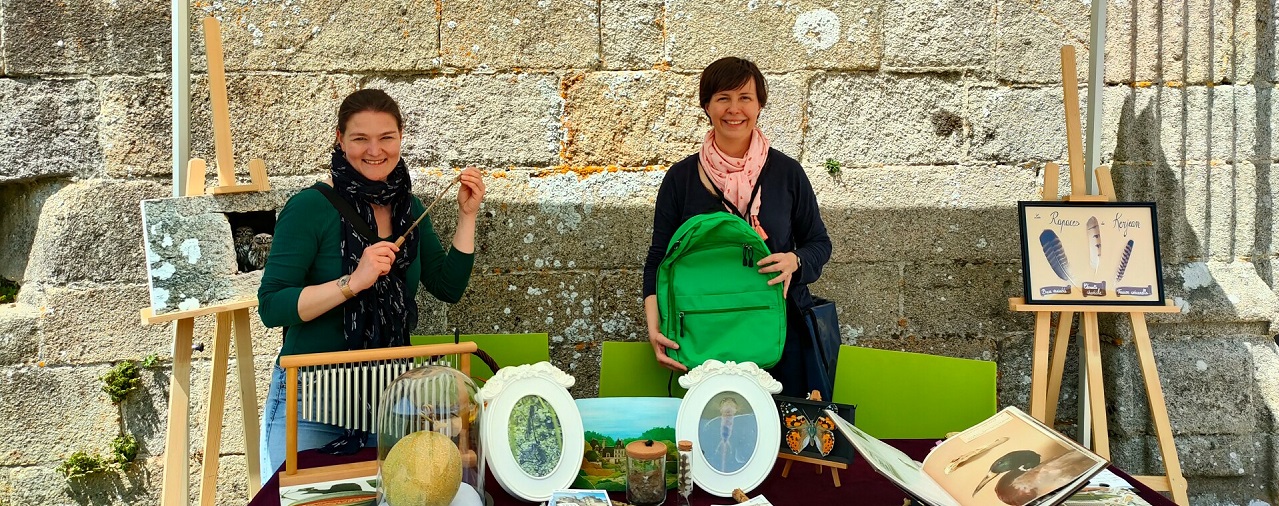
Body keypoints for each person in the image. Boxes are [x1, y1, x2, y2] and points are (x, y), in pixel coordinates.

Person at [256, 88, 485, 482]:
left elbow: (447, 287)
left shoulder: (408, 208)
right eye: (360, 138)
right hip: (313, 398)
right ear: (340, 140)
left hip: (392, 396)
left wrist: (467, 216)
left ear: (400, 139)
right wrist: (352, 282)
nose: (374, 150)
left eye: (386, 138)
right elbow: (272, 306)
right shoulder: (309, 207)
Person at [642, 57, 831, 397]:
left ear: (760, 105)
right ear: (707, 106)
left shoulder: (787, 173)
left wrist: (794, 261)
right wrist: (655, 327)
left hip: (780, 329)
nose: (734, 109)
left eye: (745, 97)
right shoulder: (681, 179)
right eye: (723, 98)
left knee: (786, 441)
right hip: (703, 333)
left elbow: (818, 242)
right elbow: (659, 257)